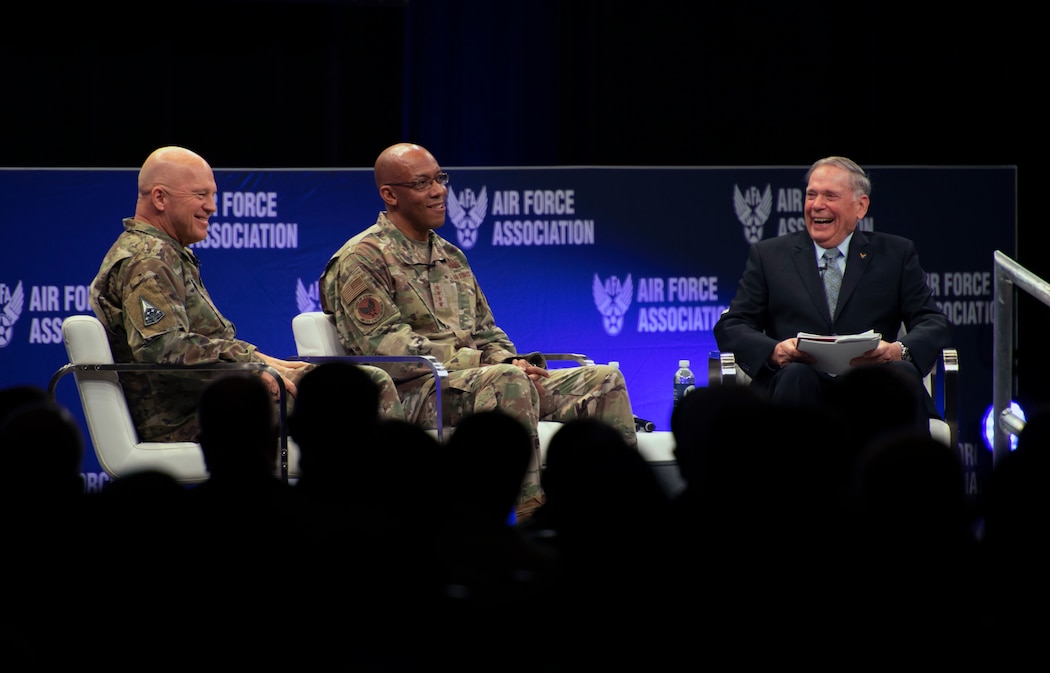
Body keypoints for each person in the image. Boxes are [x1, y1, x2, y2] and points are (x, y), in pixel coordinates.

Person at [318, 142, 637, 516]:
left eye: (440, 179)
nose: (439, 191)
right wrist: (485, 364)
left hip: (478, 381)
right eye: (422, 183)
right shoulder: (362, 258)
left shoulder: (451, 256)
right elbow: (388, 348)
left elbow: (487, 330)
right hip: (413, 393)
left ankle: (620, 512)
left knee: (602, 380)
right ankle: (533, 517)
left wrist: (512, 359)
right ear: (390, 195)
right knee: (506, 381)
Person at [89, 145, 404, 444]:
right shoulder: (148, 258)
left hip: (215, 397)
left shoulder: (164, 251)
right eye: (201, 195)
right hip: (190, 415)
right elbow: (163, 349)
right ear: (160, 197)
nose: (212, 206)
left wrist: (257, 359)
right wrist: (248, 369)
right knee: (364, 391)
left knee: (361, 382)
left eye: (212, 195)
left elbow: (193, 342)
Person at [713, 155, 951, 432]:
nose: (816, 205)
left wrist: (897, 350)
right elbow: (733, 324)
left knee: (900, 374)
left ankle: (893, 471)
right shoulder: (769, 255)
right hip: (798, 382)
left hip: (871, 384)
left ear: (860, 206)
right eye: (811, 195)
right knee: (796, 375)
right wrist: (775, 351)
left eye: (830, 196)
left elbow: (933, 321)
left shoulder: (896, 254)